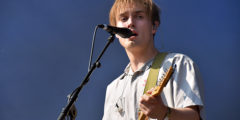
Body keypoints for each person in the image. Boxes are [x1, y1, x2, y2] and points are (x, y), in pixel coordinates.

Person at [102, 0, 205, 120]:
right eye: (124, 19)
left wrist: (164, 112)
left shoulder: (178, 63)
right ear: (116, 33)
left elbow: (194, 117)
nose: (130, 23)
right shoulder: (113, 88)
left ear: (154, 26)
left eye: (139, 17)